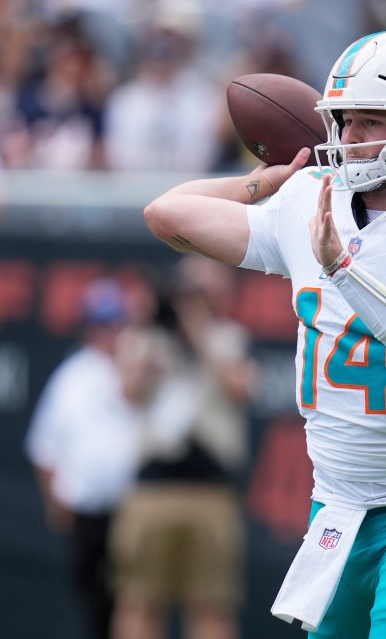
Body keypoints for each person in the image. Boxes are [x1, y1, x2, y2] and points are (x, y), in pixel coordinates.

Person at [144, 29, 386, 638]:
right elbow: (166, 214)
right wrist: (267, 183)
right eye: (341, 121)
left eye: (367, 121)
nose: (348, 139)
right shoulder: (308, 203)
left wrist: (344, 271)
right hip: (335, 507)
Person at [110, 257, 255, 639]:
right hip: (152, 489)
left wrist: (198, 328)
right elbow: (127, 391)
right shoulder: (143, 339)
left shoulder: (227, 338)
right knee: (139, 599)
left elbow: (241, 387)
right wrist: (146, 322)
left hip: (211, 490)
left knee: (211, 602)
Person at [25, 279, 142, 639]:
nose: (109, 334)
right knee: (94, 601)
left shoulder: (141, 370)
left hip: (135, 510)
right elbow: (44, 446)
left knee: (136, 603)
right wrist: (55, 500)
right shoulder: (72, 376)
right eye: (101, 325)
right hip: (86, 513)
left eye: (116, 324)